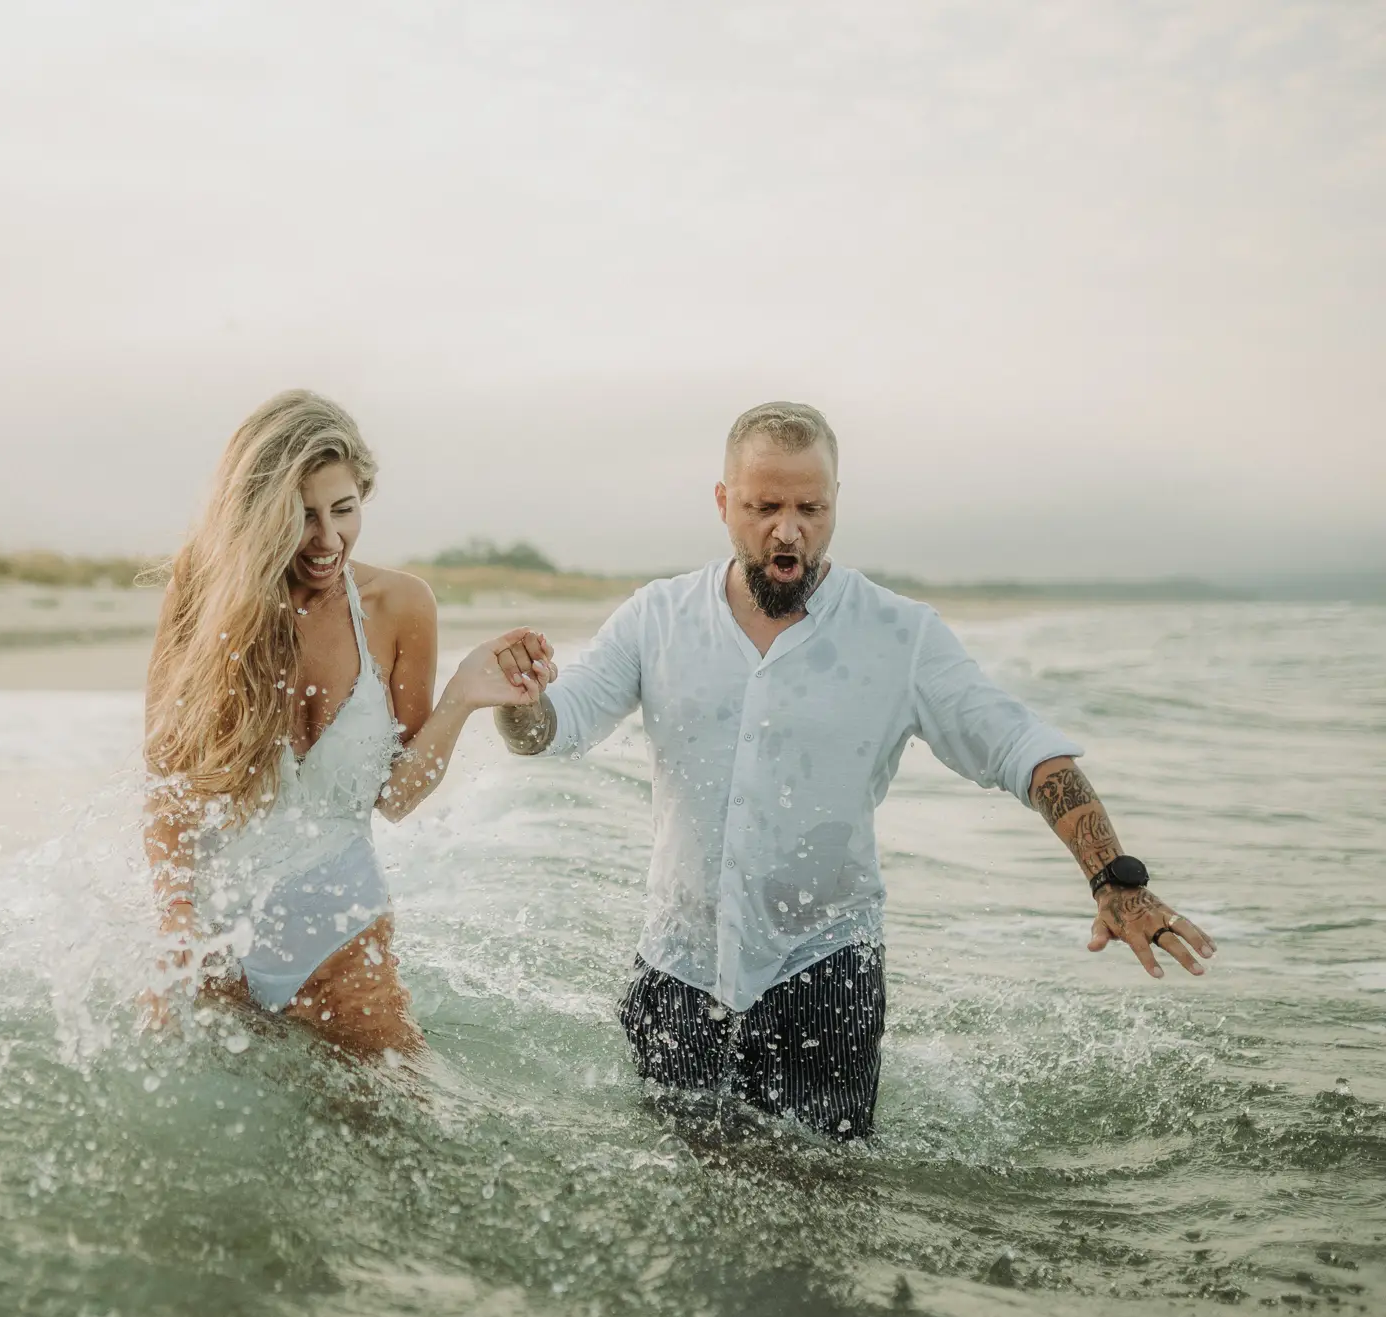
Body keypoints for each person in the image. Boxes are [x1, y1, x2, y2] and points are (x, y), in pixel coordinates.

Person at [491, 401, 1216, 1139]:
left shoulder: (900, 634)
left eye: (810, 508)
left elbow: (1021, 748)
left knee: (831, 1192)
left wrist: (1112, 876)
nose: (788, 530)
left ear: (836, 503)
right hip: (678, 967)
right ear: (723, 502)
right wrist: (519, 701)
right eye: (765, 507)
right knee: (671, 1173)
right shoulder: (657, 618)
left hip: (826, 973)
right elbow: (552, 728)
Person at [142, 390, 554, 1056]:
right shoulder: (200, 591)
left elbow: (396, 798)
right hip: (211, 945)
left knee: (404, 1116)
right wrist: (176, 917)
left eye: (344, 509)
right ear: (256, 511)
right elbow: (167, 784)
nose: (328, 540)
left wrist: (460, 699)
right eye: (302, 515)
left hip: (340, 938)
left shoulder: (401, 605)